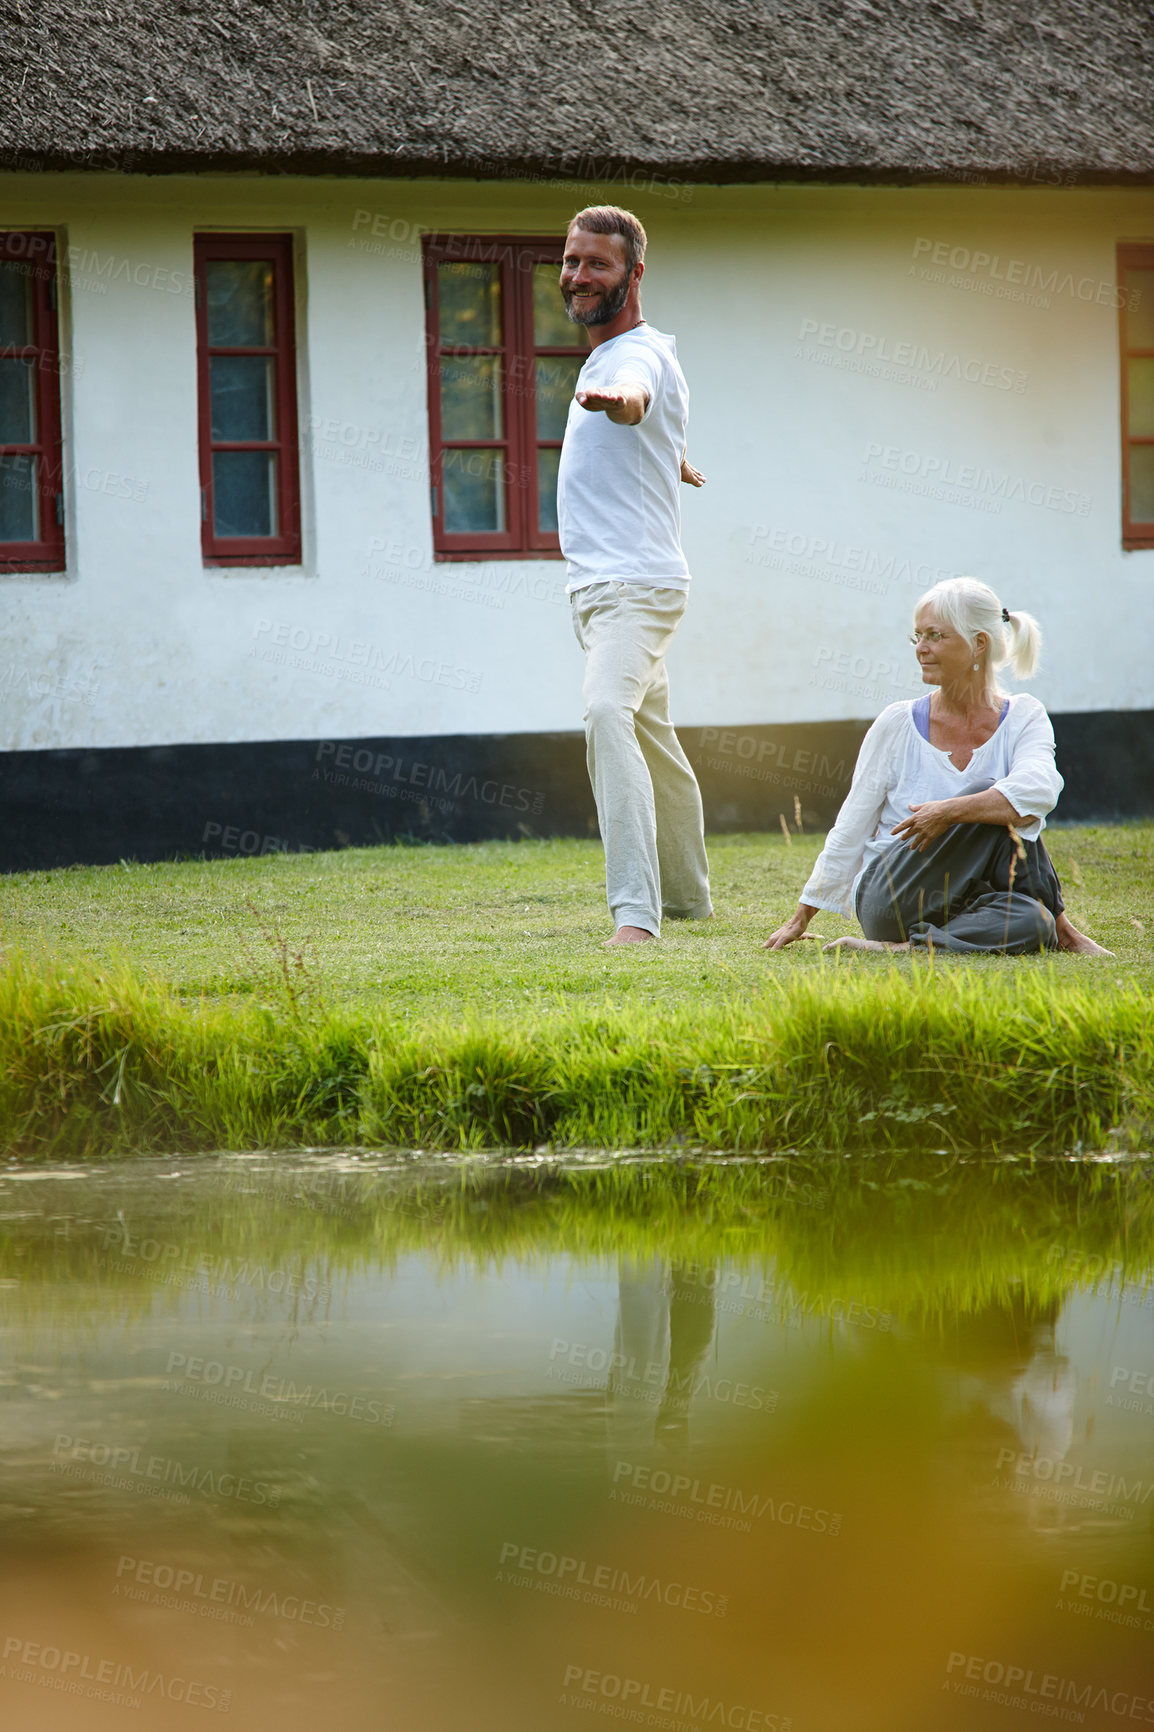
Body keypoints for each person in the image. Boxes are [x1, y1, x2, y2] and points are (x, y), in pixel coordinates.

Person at [763, 578, 1111, 956]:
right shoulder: (896, 722)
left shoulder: (1025, 716)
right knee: (991, 792)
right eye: (918, 637)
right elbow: (852, 823)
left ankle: (902, 950)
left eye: (935, 636)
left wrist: (947, 812)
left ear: (979, 643)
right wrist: (801, 916)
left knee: (1033, 920)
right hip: (891, 898)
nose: (922, 649)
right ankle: (1067, 932)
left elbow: (1040, 787)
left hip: (968, 899)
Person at [556, 205, 712, 947]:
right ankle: (688, 897)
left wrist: (620, 405)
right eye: (572, 261)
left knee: (605, 716)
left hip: (632, 590)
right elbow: (650, 426)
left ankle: (636, 917)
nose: (579, 276)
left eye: (598, 264)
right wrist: (668, 454)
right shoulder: (615, 357)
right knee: (656, 742)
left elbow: (637, 396)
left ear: (634, 275)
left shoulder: (629, 361)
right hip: (602, 591)